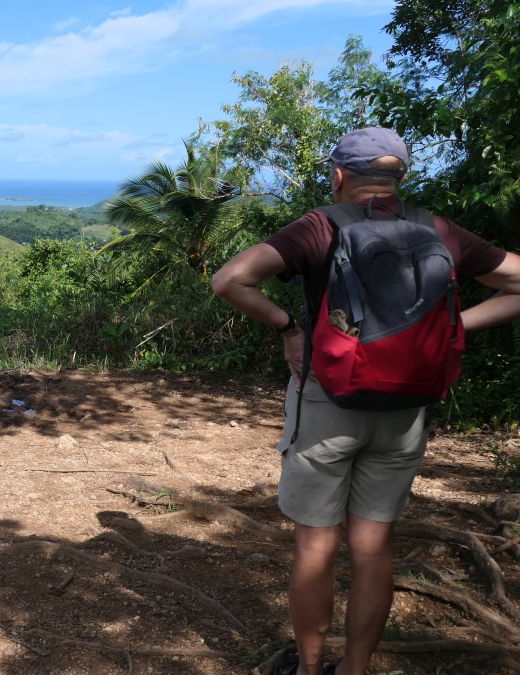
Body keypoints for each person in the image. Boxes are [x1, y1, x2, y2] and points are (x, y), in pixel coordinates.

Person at [210, 126, 520, 675]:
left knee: (316, 546)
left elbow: (231, 280)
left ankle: (309, 669)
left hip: (329, 401)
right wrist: (451, 330)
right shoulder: (438, 230)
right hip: (403, 413)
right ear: (401, 177)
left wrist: (289, 329)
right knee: (374, 547)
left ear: (338, 176)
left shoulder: (321, 227)